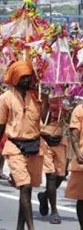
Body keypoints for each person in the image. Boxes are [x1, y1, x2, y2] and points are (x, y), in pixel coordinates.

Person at [0, 61, 49, 230]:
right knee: (25, 186)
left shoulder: (37, 95)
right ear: (14, 77)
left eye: (29, 76)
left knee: (27, 190)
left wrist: (47, 101)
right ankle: (31, 228)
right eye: (23, 77)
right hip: (15, 146)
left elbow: (44, 120)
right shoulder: (5, 98)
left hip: (35, 145)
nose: (27, 80)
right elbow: (0, 127)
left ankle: (19, 227)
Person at [37, 96, 68, 224]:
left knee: (61, 175)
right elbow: (42, 119)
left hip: (61, 139)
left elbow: (68, 121)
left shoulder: (67, 96)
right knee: (51, 176)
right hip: (45, 138)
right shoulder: (41, 94)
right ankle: (54, 211)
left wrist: (68, 109)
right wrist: (46, 100)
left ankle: (44, 195)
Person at [67, 102, 83, 230]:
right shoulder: (79, 110)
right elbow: (74, 134)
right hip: (82, 161)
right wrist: (77, 153)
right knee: (82, 199)